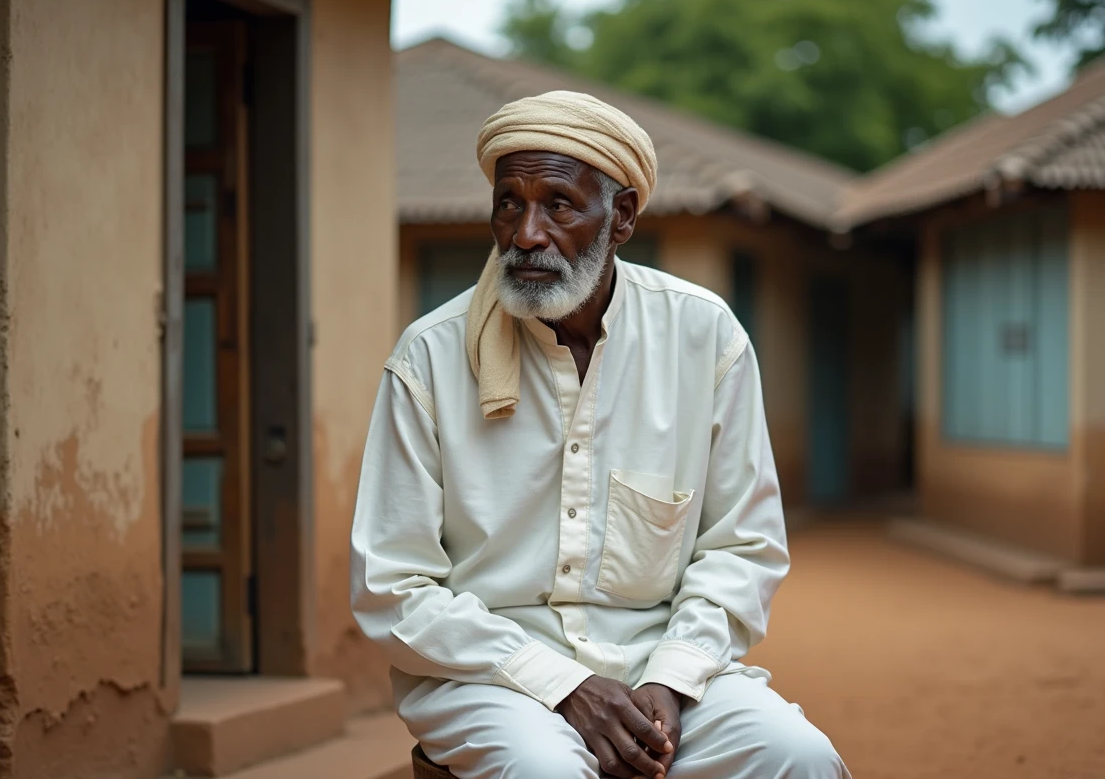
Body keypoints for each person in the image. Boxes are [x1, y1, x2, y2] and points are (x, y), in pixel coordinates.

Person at [350, 90, 849, 779]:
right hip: (486, 677)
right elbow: (392, 585)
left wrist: (672, 678)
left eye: (558, 205)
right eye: (508, 204)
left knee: (798, 758)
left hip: (661, 663)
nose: (526, 234)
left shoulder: (705, 338)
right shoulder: (428, 358)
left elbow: (743, 546)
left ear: (620, 218)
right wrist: (561, 685)